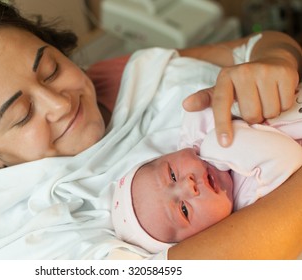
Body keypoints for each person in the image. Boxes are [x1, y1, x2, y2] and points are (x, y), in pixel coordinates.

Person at [0, 0, 301, 259]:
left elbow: (255, 46)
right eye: (22, 114)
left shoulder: (120, 76)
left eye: (51, 70)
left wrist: (277, 59)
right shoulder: (12, 222)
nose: (61, 103)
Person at [112, 92, 302, 253]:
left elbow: (205, 103)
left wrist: (195, 145)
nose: (189, 185)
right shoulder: (248, 199)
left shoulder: (197, 141)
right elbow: (289, 156)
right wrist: (214, 146)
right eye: (184, 210)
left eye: (171, 174)